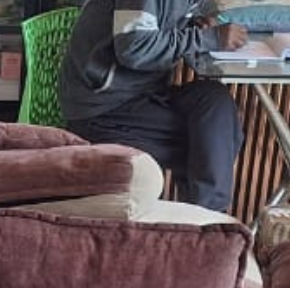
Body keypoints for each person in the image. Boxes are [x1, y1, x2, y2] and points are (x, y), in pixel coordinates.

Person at [58, 0, 249, 212]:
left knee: (216, 105)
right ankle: (204, 222)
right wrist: (209, 38)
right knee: (215, 141)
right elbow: (134, 47)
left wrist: (197, 24)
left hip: (142, 94)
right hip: (103, 108)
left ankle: (200, 220)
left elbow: (178, 14)